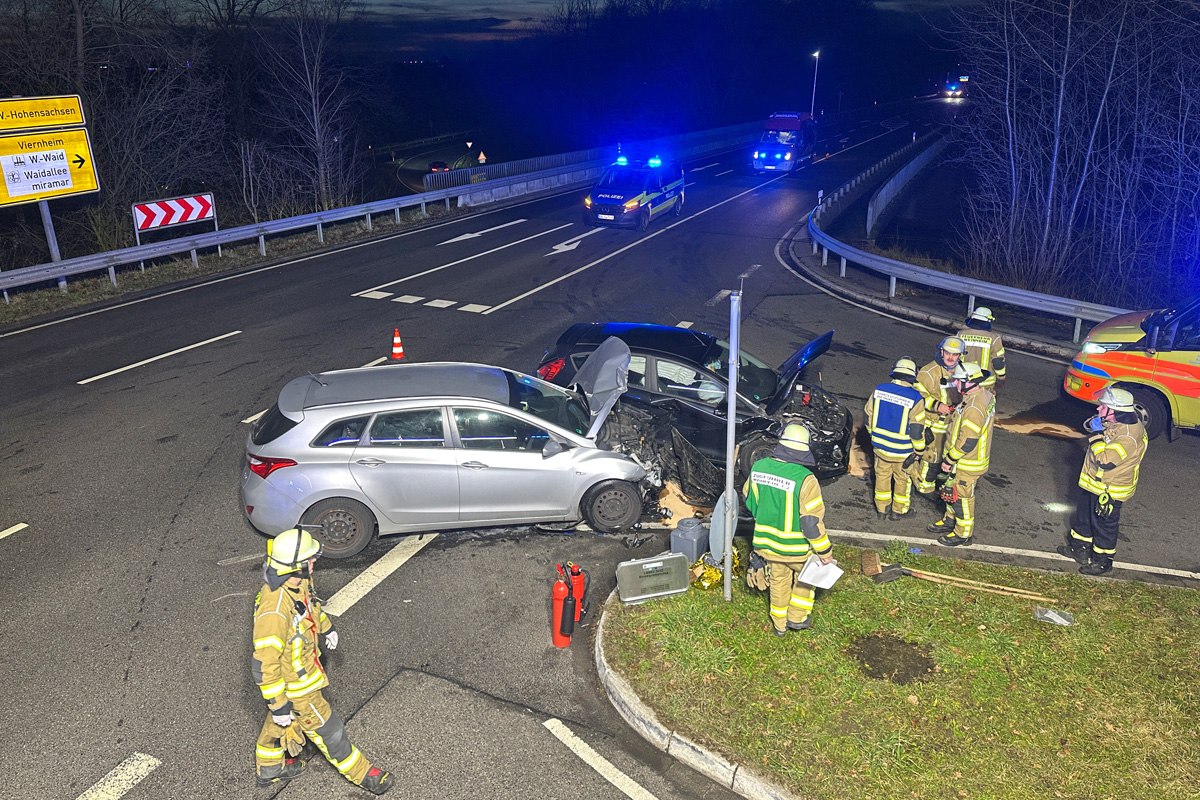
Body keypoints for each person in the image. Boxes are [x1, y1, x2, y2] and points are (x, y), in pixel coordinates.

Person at [252, 529, 394, 794]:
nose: (315, 561)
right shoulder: (274, 609)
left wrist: (326, 628)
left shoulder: (296, 581)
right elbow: (264, 664)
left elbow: (310, 608)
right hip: (298, 688)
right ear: (295, 565)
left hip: (303, 675)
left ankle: (269, 769)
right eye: (310, 558)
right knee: (330, 730)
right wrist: (279, 704)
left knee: (281, 722)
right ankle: (364, 774)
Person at [742, 424, 834, 636]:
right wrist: (825, 552)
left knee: (778, 581)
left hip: (767, 545)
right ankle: (797, 618)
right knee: (805, 580)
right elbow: (810, 523)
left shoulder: (759, 467)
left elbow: (748, 500)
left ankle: (779, 625)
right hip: (797, 549)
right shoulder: (806, 479)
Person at [1057, 387, 1148, 575]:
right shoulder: (1116, 421)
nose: (1098, 409)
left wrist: (1097, 435)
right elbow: (1091, 426)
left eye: (1104, 407)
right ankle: (1079, 548)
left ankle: (1102, 561)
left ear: (1116, 411)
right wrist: (1096, 424)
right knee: (1083, 517)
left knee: (1104, 527)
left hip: (1110, 490)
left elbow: (1105, 461)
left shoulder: (1128, 437)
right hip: (1093, 482)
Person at [928, 362, 995, 546]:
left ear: (971, 382)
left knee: (963, 499)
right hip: (963, 460)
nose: (955, 384)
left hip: (966, 462)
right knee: (952, 491)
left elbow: (968, 441)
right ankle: (950, 519)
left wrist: (949, 460)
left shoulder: (974, 407)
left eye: (959, 381)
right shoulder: (982, 395)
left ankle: (963, 533)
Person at [863, 357, 927, 520]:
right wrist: (919, 450)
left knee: (882, 477)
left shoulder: (879, 390)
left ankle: (882, 510)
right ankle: (899, 511)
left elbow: (867, 415)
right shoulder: (916, 398)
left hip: (880, 448)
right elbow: (916, 430)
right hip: (903, 452)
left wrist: (874, 435)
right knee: (902, 480)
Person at [914, 336, 968, 494]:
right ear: (942, 351)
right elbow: (917, 396)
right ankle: (923, 489)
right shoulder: (928, 372)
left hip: (953, 424)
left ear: (961, 355)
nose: (950, 357)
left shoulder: (962, 370)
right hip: (934, 424)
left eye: (955, 354)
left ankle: (942, 486)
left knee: (948, 458)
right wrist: (937, 405)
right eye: (948, 353)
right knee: (931, 459)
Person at [956, 307, 1007, 392]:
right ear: (988, 321)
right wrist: (1001, 377)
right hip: (985, 383)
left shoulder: (960, 334)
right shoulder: (994, 338)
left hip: (964, 380)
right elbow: (998, 361)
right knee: (985, 403)